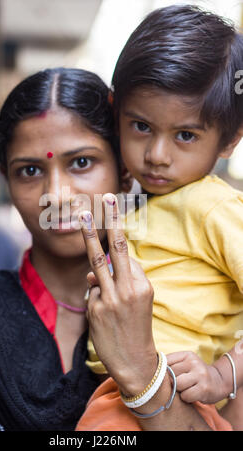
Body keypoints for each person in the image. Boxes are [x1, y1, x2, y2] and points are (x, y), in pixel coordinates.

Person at [77, 4, 243, 431]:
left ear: (229, 142)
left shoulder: (214, 208)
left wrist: (225, 372)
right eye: (141, 126)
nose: (157, 155)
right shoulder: (140, 202)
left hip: (175, 397)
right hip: (119, 389)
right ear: (117, 114)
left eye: (185, 135)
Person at [0, 67, 129, 431]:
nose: (56, 196)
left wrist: (142, 373)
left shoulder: (176, 303)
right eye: (29, 170)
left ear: (124, 171)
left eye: (80, 162)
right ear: (5, 178)